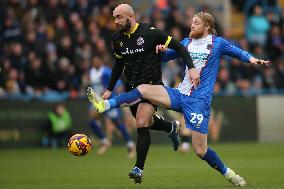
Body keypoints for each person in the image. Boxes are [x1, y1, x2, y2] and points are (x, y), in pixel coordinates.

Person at [87, 12, 270, 186]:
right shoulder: (186, 42)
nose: (192, 24)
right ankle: (105, 104)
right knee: (143, 89)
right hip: (179, 94)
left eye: (196, 23)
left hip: (199, 101)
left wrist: (252, 59)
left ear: (207, 26)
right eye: (192, 22)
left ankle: (229, 174)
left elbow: (237, 52)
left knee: (200, 151)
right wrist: (160, 51)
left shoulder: (218, 43)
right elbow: (168, 56)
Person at [96, 4, 200, 183]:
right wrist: (109, 89)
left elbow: (180, 48)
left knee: (142, 122)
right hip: (132, 89)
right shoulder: (117, 39)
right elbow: (118, 65)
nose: (116, 21)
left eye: (119, 17)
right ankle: (171, 127)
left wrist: (191, 68)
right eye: (115, 18)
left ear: (131, 16)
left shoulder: (150, 33)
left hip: (152, 87)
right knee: (148, 122)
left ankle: (138, 169)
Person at [88, 56, 135, 158]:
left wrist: (118, 91)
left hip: (108, 100)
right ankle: (105, 141)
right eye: (94, 61)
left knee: (117, 123)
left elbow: (117, 82)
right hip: (96, 100)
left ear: (101, 61)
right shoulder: (91, 72)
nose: (95, 63)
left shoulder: (106, 71)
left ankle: (130, 145)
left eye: (97, 61)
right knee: (91, 121)